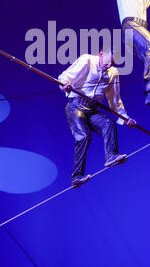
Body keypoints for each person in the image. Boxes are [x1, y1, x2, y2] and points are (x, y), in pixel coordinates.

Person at [58, 50, 136, 188]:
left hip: (92, 109)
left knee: (108, 123)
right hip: (76, 106)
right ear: (100, 54)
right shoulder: (87, 60)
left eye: (111, 65)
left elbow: (115, 100)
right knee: (84, 137)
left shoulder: (113, 73)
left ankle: (111, 156)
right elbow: (65, 76)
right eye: (106, 63)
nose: (107, 67)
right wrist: (65, 84)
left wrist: (125, 119)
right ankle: (76, 176)